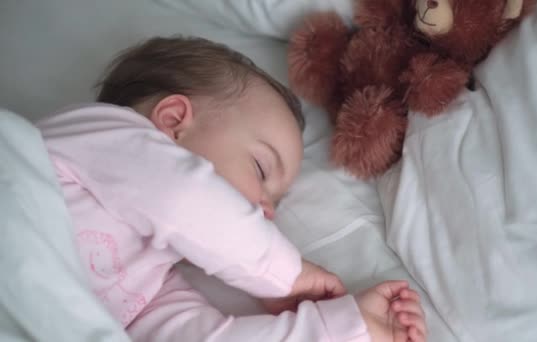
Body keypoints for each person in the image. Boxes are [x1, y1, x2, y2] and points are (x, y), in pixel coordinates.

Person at [37, 36, 427, 341]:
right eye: (260, 168)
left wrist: (346, 328)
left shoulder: (149, 279)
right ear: (173, 121)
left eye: (274, 203)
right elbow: (184, 198)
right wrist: (285, 274)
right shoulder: (102, 136)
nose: (266, 212)